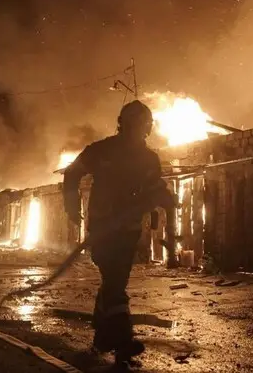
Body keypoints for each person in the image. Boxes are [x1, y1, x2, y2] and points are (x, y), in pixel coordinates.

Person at [63, 100, 177, 370]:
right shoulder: (102, 150)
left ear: (147, 127)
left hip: (128, 231)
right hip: (103, 230)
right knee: (114, 282)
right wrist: (71, 205)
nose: (138, 129)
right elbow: (72, 172)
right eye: (134, 123)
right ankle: (123, 339)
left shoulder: (149, 159)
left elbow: (153, 187)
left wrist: (164, 201)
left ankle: (103, 338)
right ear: (122, 124)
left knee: (114, 282)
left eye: (142, 124)